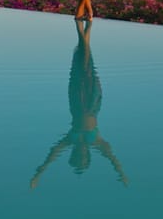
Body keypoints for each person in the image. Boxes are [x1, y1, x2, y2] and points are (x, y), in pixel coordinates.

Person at [30, 19, 128, 188]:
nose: (81, 157)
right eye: (83, 160)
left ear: (74, 156)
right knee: (87, 64)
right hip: (92, 102)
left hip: (76, 101)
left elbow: (53, 154)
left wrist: (39, 173)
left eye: (78, 159)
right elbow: (111, 157)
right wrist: (121, 174)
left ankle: (83, 29)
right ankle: (81, 28)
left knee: (80, 65)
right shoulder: (94, 141)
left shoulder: (70, 140)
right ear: (87, 156)